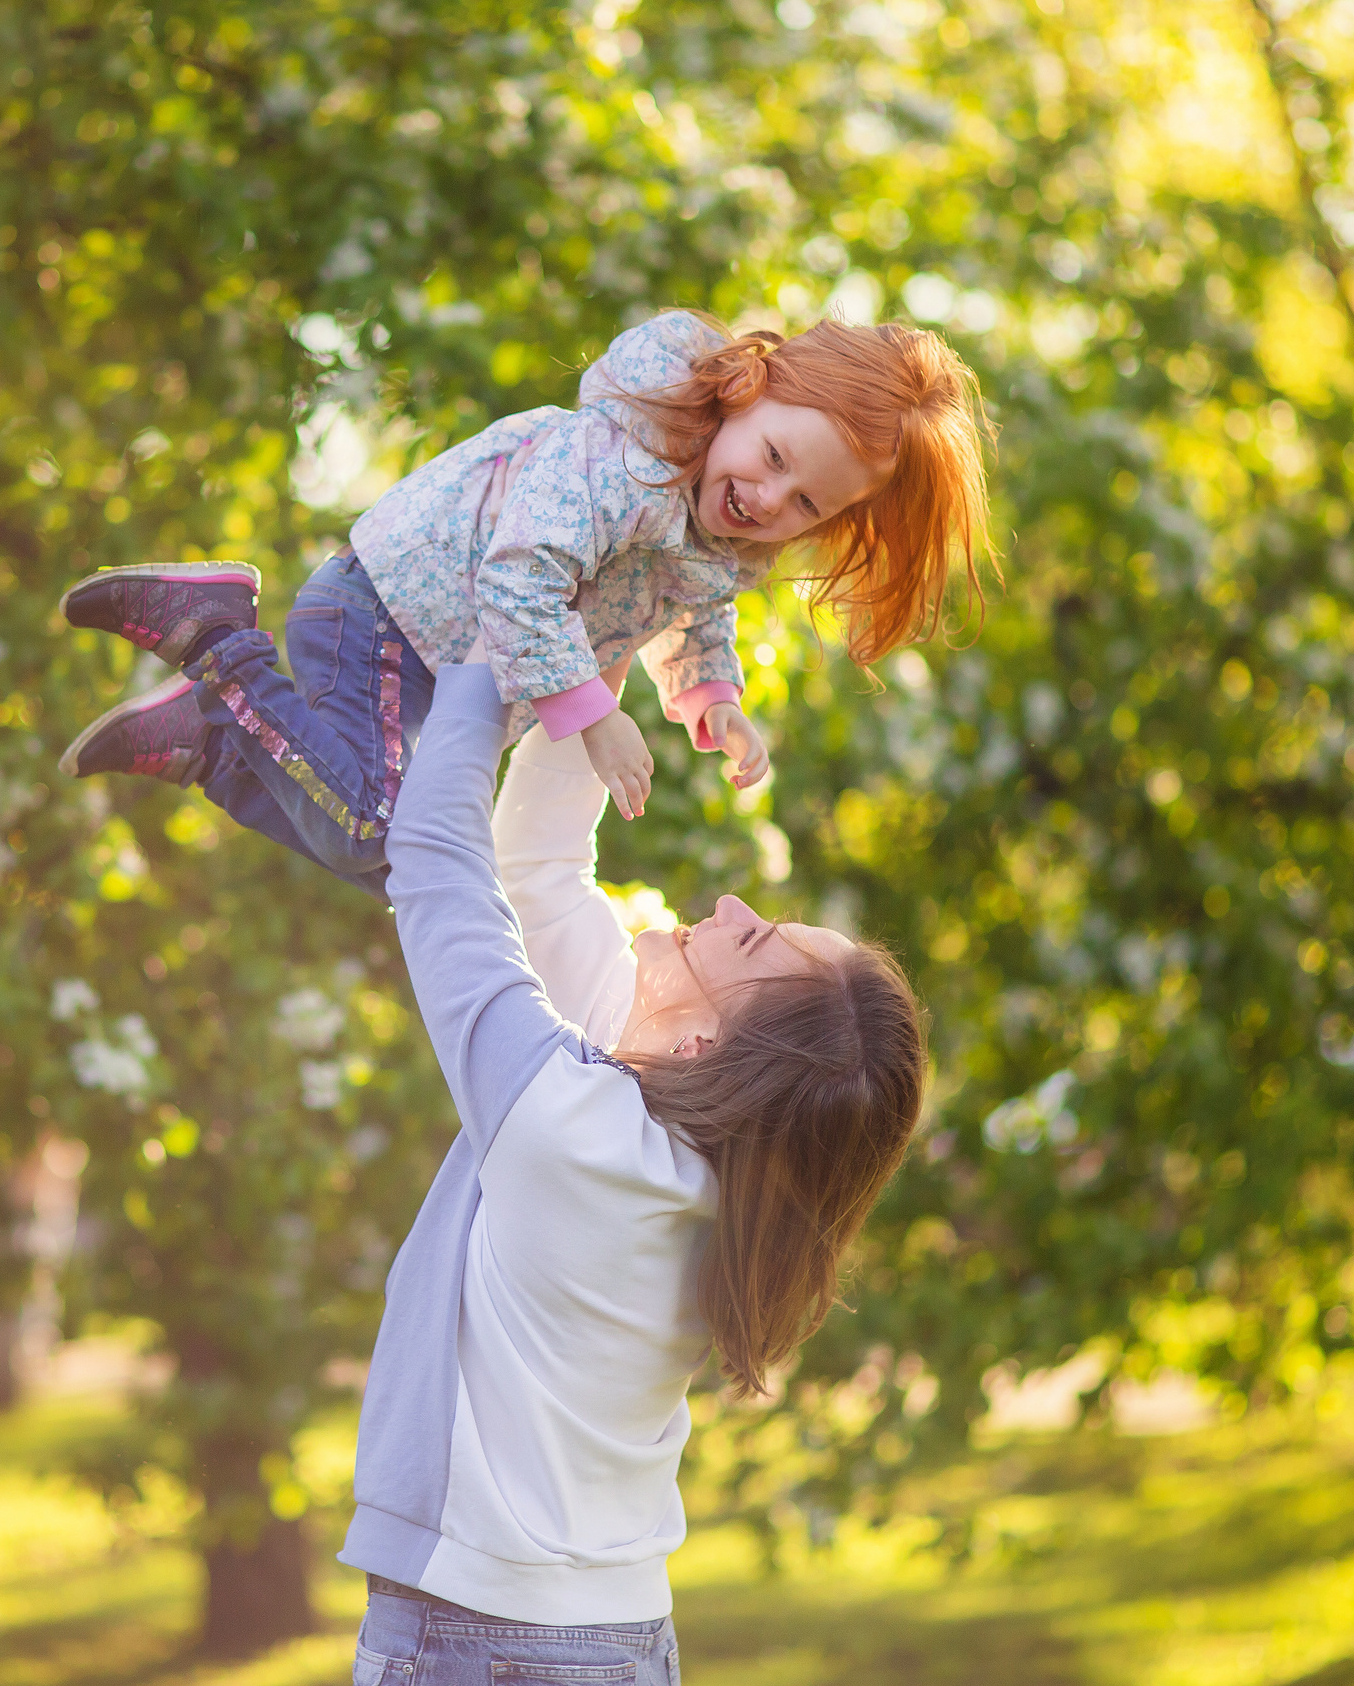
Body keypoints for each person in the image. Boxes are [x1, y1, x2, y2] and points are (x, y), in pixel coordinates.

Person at [336, 652, 927, 1683]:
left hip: (487, 1638)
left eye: (752, 943)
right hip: (598, 1633)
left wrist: (487, 655)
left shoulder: (580, 1132)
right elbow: (538, 871)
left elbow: (439, 859)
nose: (735, 903)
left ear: (711, 1045)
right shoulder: (676, 1142)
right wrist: (586, 653)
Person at [54, 308, 992, 896]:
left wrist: (714, 700)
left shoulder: (728, 543)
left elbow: (695, 609)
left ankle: (217, 741)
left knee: (391, 854)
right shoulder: (617, 463)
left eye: (807, 505)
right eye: (776, 459)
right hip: (385, 616)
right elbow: (517, 576)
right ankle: (220, 646)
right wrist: (593, 718)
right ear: (747, 391)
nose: (768, 501)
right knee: (380, 829)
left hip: (450, 671)